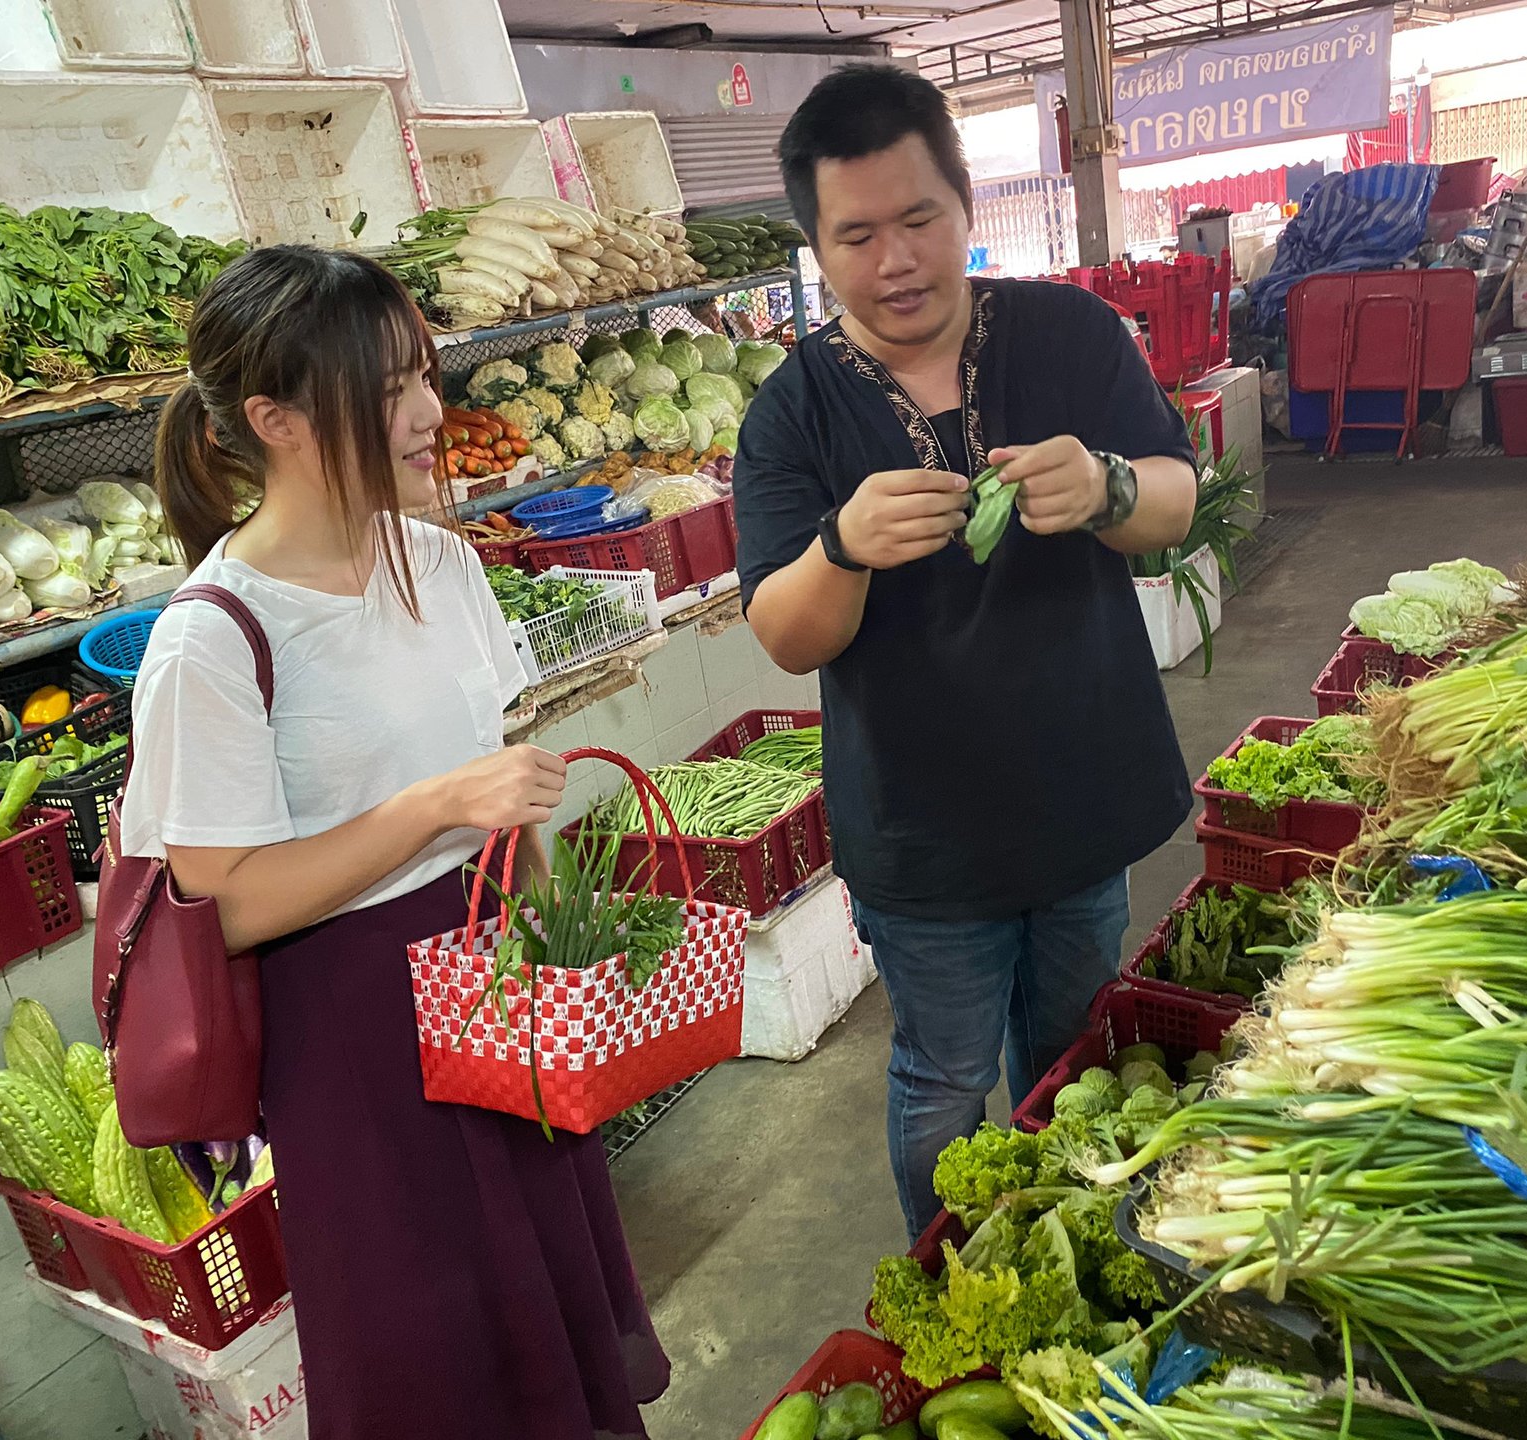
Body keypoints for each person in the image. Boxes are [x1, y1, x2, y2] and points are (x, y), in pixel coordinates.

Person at [117, 246, 667, 1439]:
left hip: (496, 980)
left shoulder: (442, 562)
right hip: (356, 1031)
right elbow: (234, 902)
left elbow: (500, 777)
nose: (431, 413)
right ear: (276, 421)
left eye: (423, 374)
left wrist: (553, 934)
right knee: (433, 1343)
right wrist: (432, 806)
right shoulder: (214, 641)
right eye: (388, 391)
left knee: (549, 1300)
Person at [734, 65, 1201, 1240]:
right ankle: (954, 1283)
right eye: (856, 236)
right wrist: (842, 548)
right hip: (925, 838)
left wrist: (1106, 486)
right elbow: (786, 635)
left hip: (1080, 798)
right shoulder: (792, 414)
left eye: (919, 219)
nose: (895, 260)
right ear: (817, 247)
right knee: (945, 1085)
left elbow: (1177, 504)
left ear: (965, 206)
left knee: (1074, 1059)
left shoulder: (1071, 334)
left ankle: (1077, 1261)